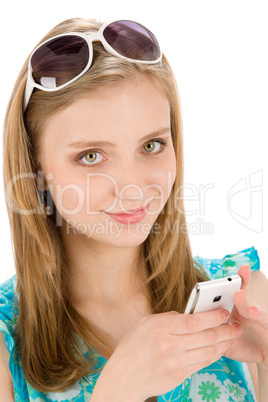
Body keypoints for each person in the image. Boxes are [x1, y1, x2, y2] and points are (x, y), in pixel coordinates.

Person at [0, 17, 267, 402]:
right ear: (35, 169)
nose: (133, 187)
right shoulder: (8, 344)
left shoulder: (245, 300)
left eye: (151, 146)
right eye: (91, 156)